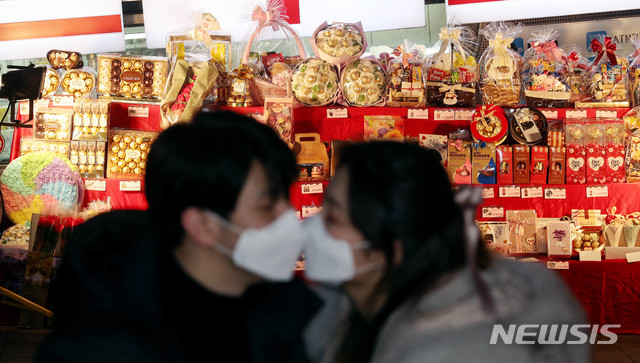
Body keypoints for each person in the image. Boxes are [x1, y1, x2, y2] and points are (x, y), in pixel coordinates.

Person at [36, 110, 321, 362]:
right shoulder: (99, 349)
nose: (289, 222)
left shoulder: (297, 312)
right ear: (203, 226)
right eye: (267, 206)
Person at [302, 141, 589, 363]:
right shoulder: (355, 297)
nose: (312, 226)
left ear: (395, 248)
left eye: (333, 218)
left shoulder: (452, 350)